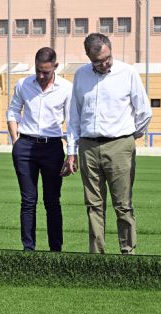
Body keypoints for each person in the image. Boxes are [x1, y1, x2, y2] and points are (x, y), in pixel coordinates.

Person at [65, 33, 152, 254]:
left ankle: (128, 252)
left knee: (123, 205)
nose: (104, 64)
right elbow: (74, 116)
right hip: (88, 146)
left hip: (120, 144)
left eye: (107, 58)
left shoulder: (128, 73)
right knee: (93, 205)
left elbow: (144, 111)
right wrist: (72, 150)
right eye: (98, 61)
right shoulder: (81, 75)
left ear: (111, 50)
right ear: (88, 56)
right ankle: (97, 254)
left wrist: (131, 137)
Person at [6, 47, 73, 251]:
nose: (41, 76)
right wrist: (16, 140)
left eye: (46, 71)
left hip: (52, 147)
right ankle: (28, 249)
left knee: (52, 201)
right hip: (25, 146)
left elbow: (71, 123)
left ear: (55, 66)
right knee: (28, 201)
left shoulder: (67, 88)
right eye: (38, 71)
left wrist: (71, 153)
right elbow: (13, 111)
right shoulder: (23, 84)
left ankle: (56, 250)